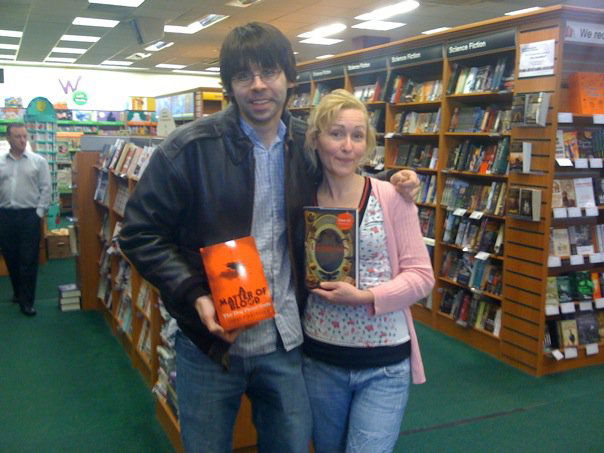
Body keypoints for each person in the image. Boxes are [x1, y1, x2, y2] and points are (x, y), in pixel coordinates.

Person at [119, 22, 419, 452]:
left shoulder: (308, 146)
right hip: (209, 344)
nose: (258, 86)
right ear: (229, 86)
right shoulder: (188, 149)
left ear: (289, 79)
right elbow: (138, 232)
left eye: (270, 72)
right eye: (244, 76)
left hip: (285, 342)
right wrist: (194, 295)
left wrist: (399, 182)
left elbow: (347, 174)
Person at [301, 89, 435, 452]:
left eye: (357, 136)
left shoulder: (392, 196)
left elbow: (422, 276)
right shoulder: (302, 199)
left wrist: (367, 297)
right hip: (321, 359)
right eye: (336, 133)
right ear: (315, 139)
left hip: (384, 364)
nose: (347, 146)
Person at [0, 123, 51, 316]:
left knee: (28, 259)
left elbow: (46, 188)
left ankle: (27, 301)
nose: (22, 140)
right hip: (5, 215)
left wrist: (39, 212)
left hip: (29, 215)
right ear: (8, 139)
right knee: (11, 257)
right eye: (17, 137)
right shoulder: (1, 162)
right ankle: (18, 291)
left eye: (24, 136)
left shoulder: (39, 161)